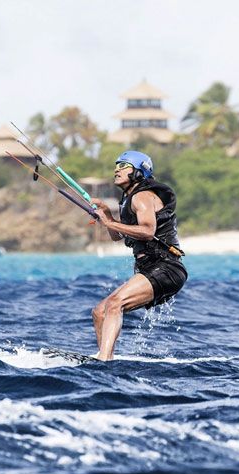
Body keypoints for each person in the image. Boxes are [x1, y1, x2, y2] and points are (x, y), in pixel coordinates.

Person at [90, 150, 187, 361]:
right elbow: (117, 236)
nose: (117, 169)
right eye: (116, 165)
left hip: (167, 267)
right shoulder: (128, 200)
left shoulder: (143, 196)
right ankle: (105, 358)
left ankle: (104, 358)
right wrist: (107, 214)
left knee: (115, 303)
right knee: (100, 312)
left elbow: (147, 231)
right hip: (151, 268)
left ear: (139, 171)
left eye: (123, 165)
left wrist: (109, 222)